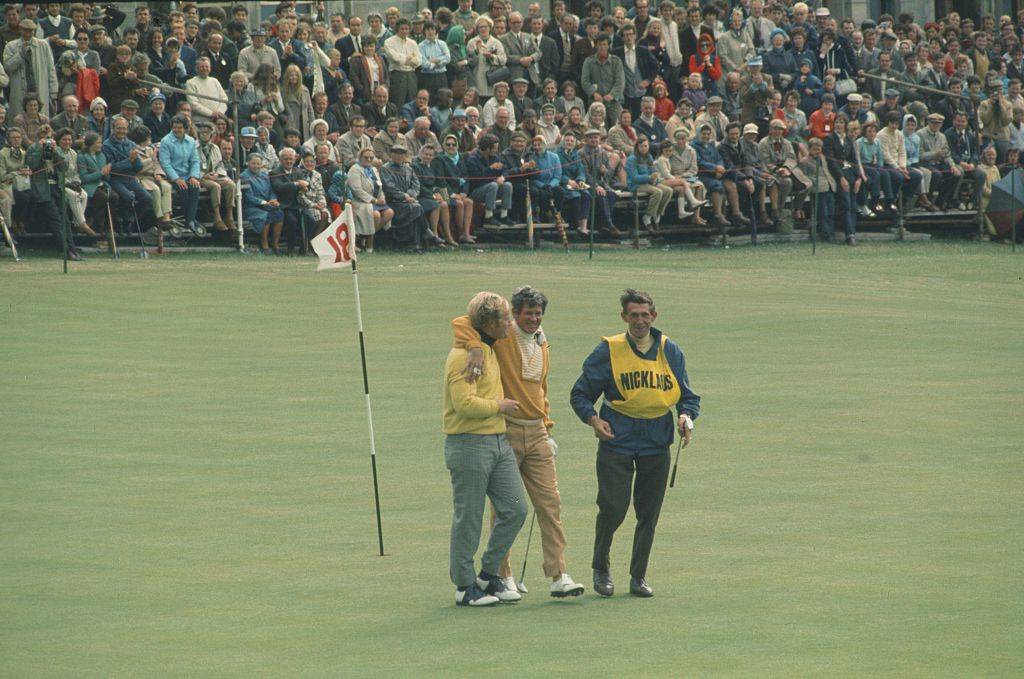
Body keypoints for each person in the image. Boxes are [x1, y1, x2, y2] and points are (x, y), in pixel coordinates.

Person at [453, 286, 585, 598]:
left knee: (550, 505)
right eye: (528, 313)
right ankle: (502, 573)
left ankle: (559, 574)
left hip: (538, 432)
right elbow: (462, 321)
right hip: (506, 430)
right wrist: (473, 347)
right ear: (515, 313)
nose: (534, 319)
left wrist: (548, 427)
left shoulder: (542, 342)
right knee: (507, 507)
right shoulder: (505, 333)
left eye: (539, 314)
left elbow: (541, 388)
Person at [570, 289, 700, 598]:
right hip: (617, 438)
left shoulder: (670, 350)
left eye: (645, 315)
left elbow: (688, 397)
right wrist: (593, 419)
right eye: (634, 315)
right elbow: (580, 393)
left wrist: (686, 417)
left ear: (654, 316)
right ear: (624, 317)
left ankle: (638, 576)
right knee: (613, 507)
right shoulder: (609, 350)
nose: (640, 321)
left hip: (656, 439)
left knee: (648, 512)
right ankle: (601, 568)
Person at [442, 291, 528, 607]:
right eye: (505, 318)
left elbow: (464, 320)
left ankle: (488, 573)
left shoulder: (485, 348)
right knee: (469, 517)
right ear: (489, 324)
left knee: (516, 508)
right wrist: (499, 406)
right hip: (468, 444)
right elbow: (464, 404)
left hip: (498, 443)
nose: (510, 322)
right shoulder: (464, 357)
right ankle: (465, 586)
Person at [158, 115, 201, 232]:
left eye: (180, 127)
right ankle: (191, 220)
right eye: (174, 127)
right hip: (172, 176)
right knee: (183, 189)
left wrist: (193, 176)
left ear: (185, 128)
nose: (176, 130)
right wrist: (176, 179)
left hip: (187, 174)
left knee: (194, 187)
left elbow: (195, 161)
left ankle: (190, 220)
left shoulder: (191, 141)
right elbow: (165, 163)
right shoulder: (166, 141)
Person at [346, 146, 391, 253]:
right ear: (360, 157)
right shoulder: (354, 169)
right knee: (376, 215)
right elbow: (357, 190)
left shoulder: (374, 170)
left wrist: (382, 198)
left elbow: (379, 186)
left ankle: (364, 237)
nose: (369, 160)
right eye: (366, 157)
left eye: (371, 158)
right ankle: (369, 245)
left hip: (375, 200)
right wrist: (374, 201)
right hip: (359, 201)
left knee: (389, 212)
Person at [466, 134, 515, 226]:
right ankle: (488, 216)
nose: (496, 151)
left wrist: (502, 177)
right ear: (487, 148)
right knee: (493, 185)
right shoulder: (473, 160)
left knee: (508, 185)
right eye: (495, 148)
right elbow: (476, 179)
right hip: (476, 191)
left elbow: (505, 170)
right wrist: (490, 169)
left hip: (492, 189)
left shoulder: (495, 158)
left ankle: (504, 215)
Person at [197, 121, 237, 232]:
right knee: (215, 186)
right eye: (202, 132)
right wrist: (205, 175)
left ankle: (229, 216)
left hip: (215, 175)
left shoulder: (215, 147)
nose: (204, 134)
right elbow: (192, 165)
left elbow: (220, 164)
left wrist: (217, 173)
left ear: (211, 135)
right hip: (200, 177)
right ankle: (217, 217)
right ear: (199, 134)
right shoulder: (194, 147)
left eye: (207, 132)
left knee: (231, 185)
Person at [626, 136, 673, 230]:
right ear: (637, 147)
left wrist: (655, 176)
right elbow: (634, 177)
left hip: (649, 182)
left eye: (646, 146)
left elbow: (652, 169)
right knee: (657, 192)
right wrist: (648, 177)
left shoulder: (649, 156)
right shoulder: (632, 159)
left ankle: (657, 214)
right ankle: (647, 217)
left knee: (668, 190)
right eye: (641, 146)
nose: (644, 148)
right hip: (636, 184)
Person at [241, 152, 284, 254]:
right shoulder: (244, 176)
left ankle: (275, 244)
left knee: (279, 213)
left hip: (267, 204)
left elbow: (271, 191)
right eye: (253, 163)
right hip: (252, 207)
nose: (256, 166)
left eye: (258, 164)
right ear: (248, 163)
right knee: (266, 215)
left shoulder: (265, 175)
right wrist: (264, 202)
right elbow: (248, 197)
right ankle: (264, 244)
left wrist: (273, 200)